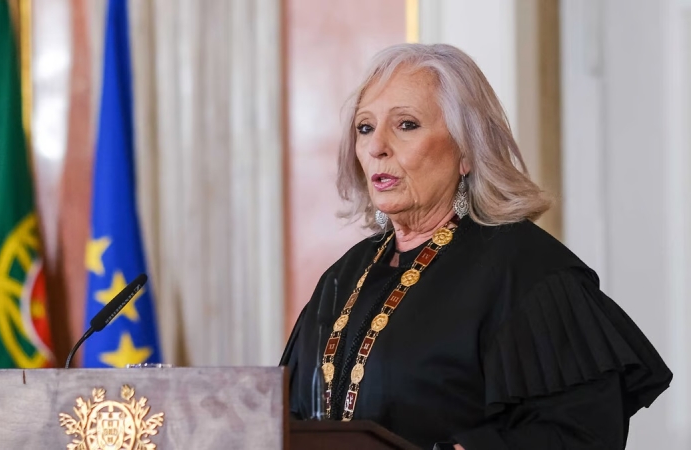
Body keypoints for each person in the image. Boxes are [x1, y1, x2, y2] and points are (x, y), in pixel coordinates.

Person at [280, 43, 672, 449]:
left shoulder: (526, 270)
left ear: (466, 149)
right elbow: (285, 419)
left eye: (406, 124)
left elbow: (581, 434)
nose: (377, 146)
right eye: (365, 128)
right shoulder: (342, 277)